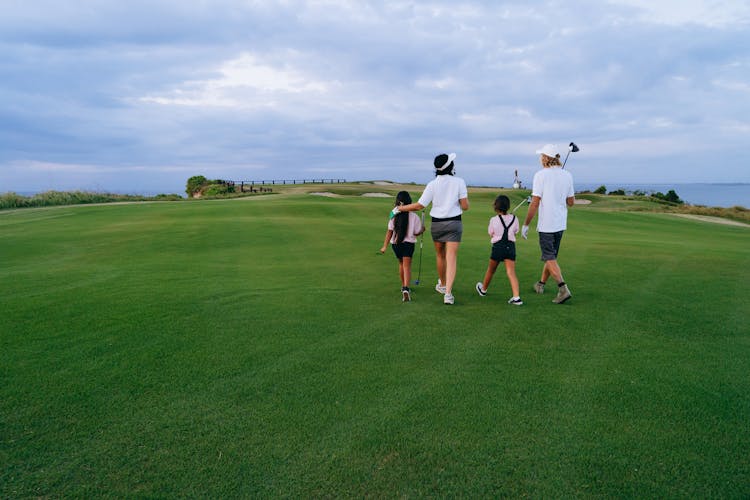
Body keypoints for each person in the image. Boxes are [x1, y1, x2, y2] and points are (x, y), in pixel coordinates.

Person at [393, 153, 469, 305]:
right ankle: (447, 293)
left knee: (440, 255)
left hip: (437, 224)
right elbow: (465, 206)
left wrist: (400, 208)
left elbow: (420, 205)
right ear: (450, 167)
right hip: (454, 223)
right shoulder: (459, 182)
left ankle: (442, 284)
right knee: (451, 257)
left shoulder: (432, 184)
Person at [521, 144, 575, 304]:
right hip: (560, 224)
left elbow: (535, 203)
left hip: (547, 224)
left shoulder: (540, 175)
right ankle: (541, 284)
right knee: (550, 257)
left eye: (541, 156)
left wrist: (526, 224)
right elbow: (571, 202)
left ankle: (563, 288)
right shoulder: (567, 175)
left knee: (549, 257)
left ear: (546, 158)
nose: (540, 158)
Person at [475, 195, 522, 305]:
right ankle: (516, 298)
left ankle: (483, 290)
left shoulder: (493, 220)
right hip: (510, 247)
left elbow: (490, 233)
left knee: (491, 270)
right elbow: (516, 231)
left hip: (498, 247)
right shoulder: (515, 219)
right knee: (511, 272)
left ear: (496, 207)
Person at [380, 191, 425, 302]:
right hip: (408, 245)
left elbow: (389, 231)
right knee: (407, 266)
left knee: (401, 264)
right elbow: (416, 233)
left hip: (396, 244)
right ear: (409, 202)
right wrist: (422, 230)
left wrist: (384, 246)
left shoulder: (393, 214)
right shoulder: (414, 216)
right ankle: (406, 288)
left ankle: (403, 286)